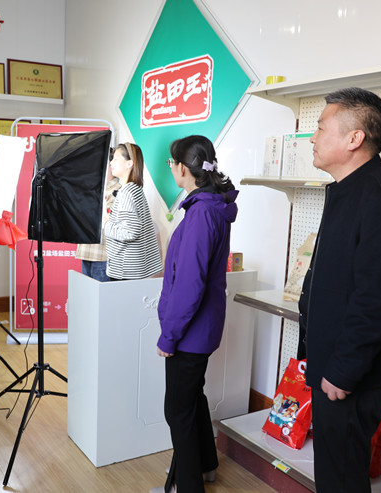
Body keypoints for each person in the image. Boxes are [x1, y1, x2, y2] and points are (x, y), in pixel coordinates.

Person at [297, 88, 381, 493]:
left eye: (321, 128)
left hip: (352, 371)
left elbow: (378, 296)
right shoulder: (349, 188)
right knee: (334, 469)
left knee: (341, 477)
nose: (313, 138)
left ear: (355, 138)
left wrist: (343, 369)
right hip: (335, 361)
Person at [152, 135, 238, 493]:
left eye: (172, 163)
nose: (171, 168)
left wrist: (168, 336)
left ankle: (187, 487)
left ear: (183, 169)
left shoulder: (202, 213)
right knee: (191, 398)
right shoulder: (209, 206)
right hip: (200, 329)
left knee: (178, 410)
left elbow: (189, 285)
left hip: (190, 332)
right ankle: (205, 466)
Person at [103, 142, 162, 280]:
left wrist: (106, 224)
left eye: (116, 159)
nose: (111, 162)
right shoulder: (134, 189)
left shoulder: (126, 193)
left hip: (125, 269)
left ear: (129, 164)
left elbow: (130, 232)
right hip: (132, 268)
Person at [75, 164, 121, 282]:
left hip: (102, 254)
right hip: (86, 250)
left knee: (103, 292)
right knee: (86, 291)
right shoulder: (91, 186)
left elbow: (108, 218)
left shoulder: (118, 189)